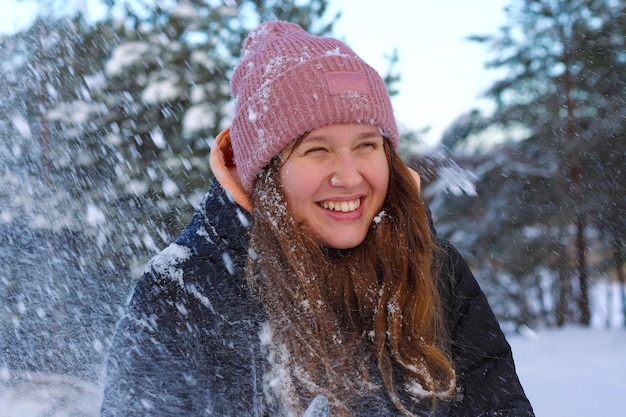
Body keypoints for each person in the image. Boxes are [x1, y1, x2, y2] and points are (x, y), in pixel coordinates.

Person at [101, 21, 534, 417]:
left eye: (367, 145)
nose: (349, 177)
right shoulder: (183, 293)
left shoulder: (433, 270)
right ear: (266, 173)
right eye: (317, 150)